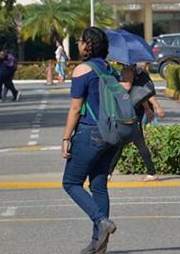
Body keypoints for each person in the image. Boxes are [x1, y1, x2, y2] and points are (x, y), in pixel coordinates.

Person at [62, 27, 130, 254]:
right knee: (99, 185)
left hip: (90, 132)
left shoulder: (83, 69)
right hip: (112, 135)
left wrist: (65, 138)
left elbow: (75, 108)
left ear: (87, 45)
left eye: (80, 41)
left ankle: (101, 221)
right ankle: (97, 243)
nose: (78, 44)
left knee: (71, 182)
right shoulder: (109, 69)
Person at [108, 63, 165, 182]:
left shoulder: (128, 68)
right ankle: (151, 172)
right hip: (133, 110)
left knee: (128, 141)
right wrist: (148, 108)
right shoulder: (133, 69)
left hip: (132, 112)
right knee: (127, 141)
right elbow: (139, 93)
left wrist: (111, 84)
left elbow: (130, 87)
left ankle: (151, 172)